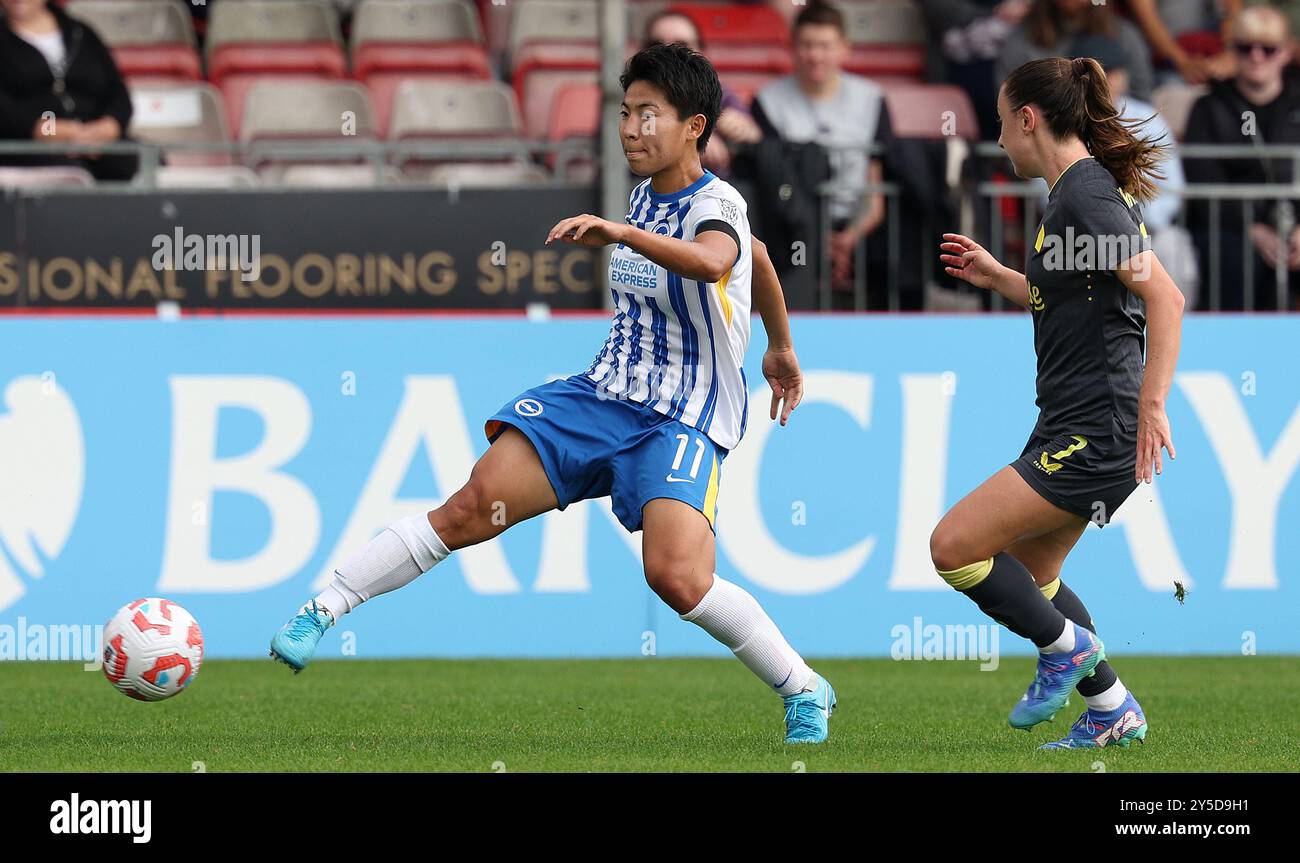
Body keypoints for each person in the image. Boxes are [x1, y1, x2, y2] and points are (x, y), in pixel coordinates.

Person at [269, 42, 838, 745]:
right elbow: (754, 257)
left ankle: (804, 687)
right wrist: (779, 343)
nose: (629, 128)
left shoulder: (714, 203)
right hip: (601, 396)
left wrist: (627, 237)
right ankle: (325, 605)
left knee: (678, 578)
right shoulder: (644, 194)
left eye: (648, 114)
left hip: (680, 418)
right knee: (472, 504)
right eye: (625, 112)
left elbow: (725, 254)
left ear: (695, 127)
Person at [934, 57, 1185, 749]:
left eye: (1000, 124)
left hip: (1098, 425)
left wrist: (1153, 403)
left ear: (1028, 119)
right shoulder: (1074, 195)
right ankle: (1111, 707)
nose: (1000, 140)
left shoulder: (1084, 195)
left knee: (954, 547)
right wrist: (1004, 277)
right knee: (1035, 576)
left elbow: (1165, 296)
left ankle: (1068, 651)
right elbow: (1072, 297)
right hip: (1078, 421)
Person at [751, 0, 894, 300]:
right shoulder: (767, 101)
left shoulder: (871, 99)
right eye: (806, 45)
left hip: (858, 226)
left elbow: (875, 186)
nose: (815, 56)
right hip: (790, 227)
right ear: (792, 47)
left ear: (844, 48)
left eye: (825, 46)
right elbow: (775, 178)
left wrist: (849, 238)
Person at [1184, 4, 1300, 310]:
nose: (1256, 56)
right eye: (1246, 47)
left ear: (1286, 52)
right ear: (1232, 51)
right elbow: (1202, 179)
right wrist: (1252, 228)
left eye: (1268, 48)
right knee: (1232, 258)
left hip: (1293, 226)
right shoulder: (1208, 107)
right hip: (1229, 230)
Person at [0, 0, 137, 181]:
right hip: (27, 150)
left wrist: (109, 126)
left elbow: (116, 91)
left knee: (139, 162)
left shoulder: (80, 33)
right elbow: (6, 111)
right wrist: (51, 130)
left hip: (97, 142)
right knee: (67, 176)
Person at [643, 8, 762, 177]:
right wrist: (693, 142)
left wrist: (748, 133)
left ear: (701, 53)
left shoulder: (719, 94)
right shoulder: (627, 96)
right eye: (656, 45)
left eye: (682, 45)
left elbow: (754, 135)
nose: (668, 54)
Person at [998, 0, 1155, 103]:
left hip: (1115, 131)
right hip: (1044, 133)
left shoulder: (1123, 35)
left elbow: (1143, 98)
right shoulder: (1021, 39)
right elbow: (1009, 103)